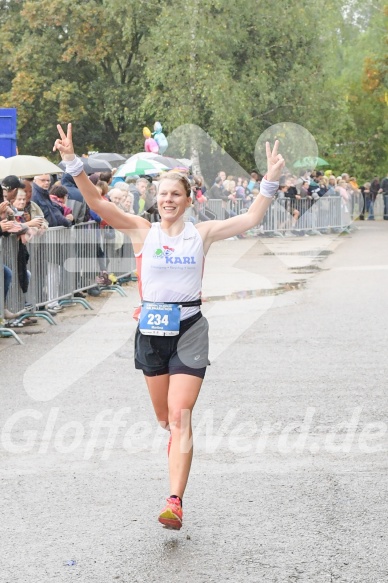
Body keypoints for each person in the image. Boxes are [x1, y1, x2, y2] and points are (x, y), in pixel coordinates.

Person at [54, 123, 284, 531]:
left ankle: (174, 501)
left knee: (181, 415)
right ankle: (174, 444)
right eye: (162, 194)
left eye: (175, 194)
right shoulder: (143, 232)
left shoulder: (202, 234)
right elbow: (96, 201)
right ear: (156, 200)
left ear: (188, 199)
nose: (167, 200)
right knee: (165, 418)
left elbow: (250, 217)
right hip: (151, 333)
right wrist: (72, 162)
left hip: (191, 328)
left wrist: (268, 180)